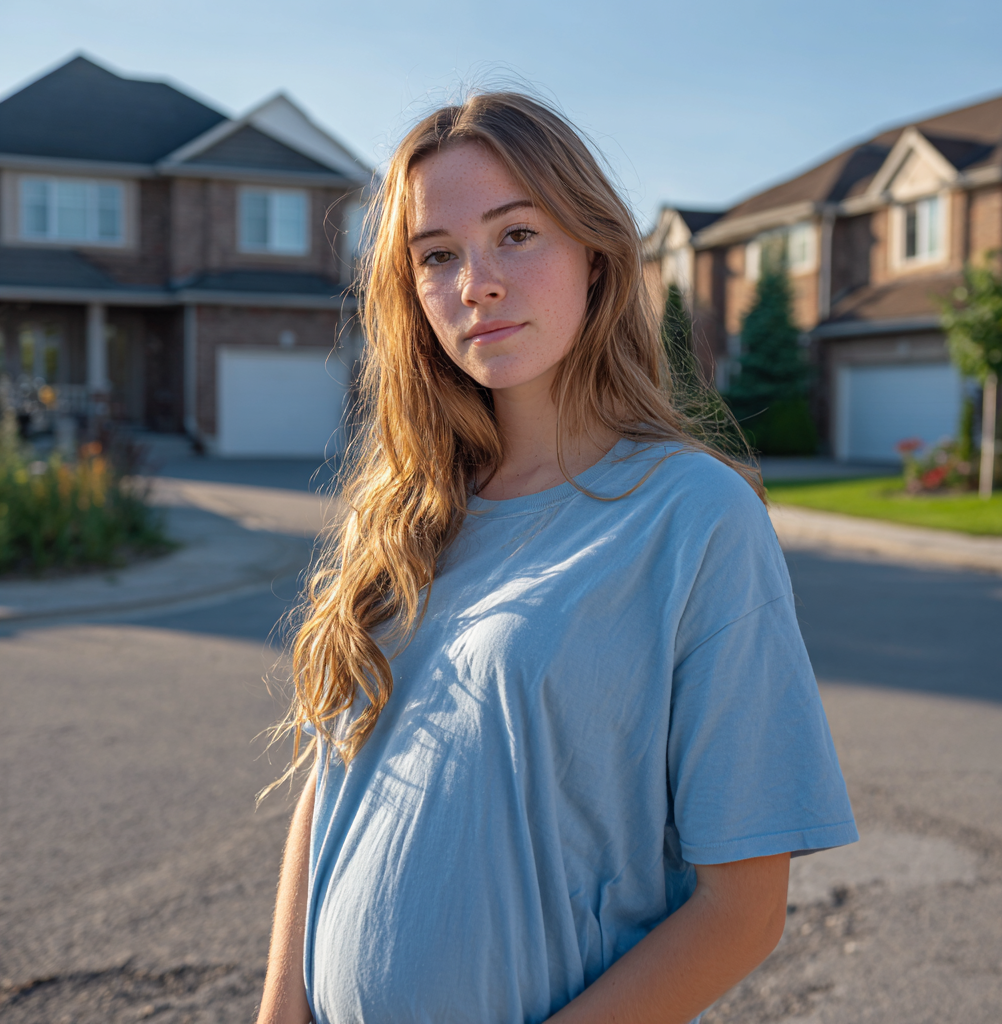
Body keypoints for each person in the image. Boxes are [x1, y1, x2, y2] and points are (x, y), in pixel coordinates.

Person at [257, 92, 857, 1024]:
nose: (476, 283)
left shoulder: (694, 516)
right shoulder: (409, 516)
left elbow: (742, 912)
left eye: (518, 234)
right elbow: (333, 790)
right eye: (438, 255)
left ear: (596, 253)